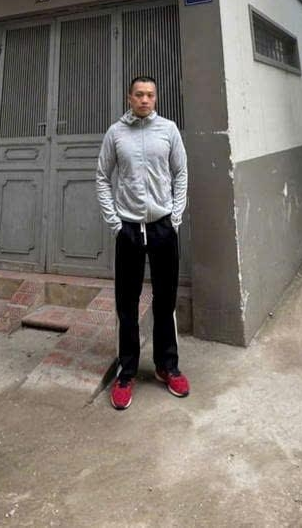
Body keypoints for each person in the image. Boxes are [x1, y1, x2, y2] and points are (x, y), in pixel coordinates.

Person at [96, 76, 189, 411]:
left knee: (165, 300)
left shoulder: (168, 130)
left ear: (156, 97)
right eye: (139, 94)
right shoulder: (116, 133)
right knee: (127, 304)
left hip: (163, 227)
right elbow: (102, 176)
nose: (145, 100)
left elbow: (181, 173)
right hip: (129, 230)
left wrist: (174, 217)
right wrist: (115, 223)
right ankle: (127, 372)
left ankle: (167, 366)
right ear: (129, 98)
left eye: (150, 94)